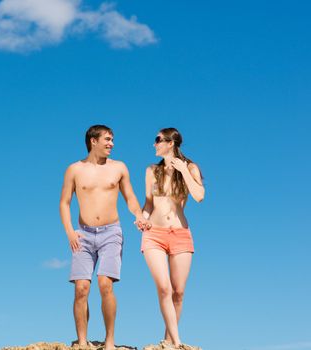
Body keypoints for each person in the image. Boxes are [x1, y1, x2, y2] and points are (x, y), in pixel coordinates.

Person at [59, 125, 148, 350]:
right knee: (81, 288)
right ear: (93, 141)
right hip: (83, 235)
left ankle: (109, 341)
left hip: (111, 232)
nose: (112, 144)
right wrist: (70, 231)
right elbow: (64, 203)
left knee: (105, 284)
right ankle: (82, 341)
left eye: (112, 140)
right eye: (107, 139)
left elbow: (130, 198)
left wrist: (138, 215)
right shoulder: (74, 170)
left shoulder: (119, 168)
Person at [140, 128, 204, 350]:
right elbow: (148, 204)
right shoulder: (151, 171)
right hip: (154, 235)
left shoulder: (190, 167)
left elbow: (199, 196)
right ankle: (176, 342)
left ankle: (168, 339)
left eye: (158, 140)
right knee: (164, 289)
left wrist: (183, 171)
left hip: (180, 234)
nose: (154, 144)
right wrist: (142, 218)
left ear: (171, 143)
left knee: (178, 292)